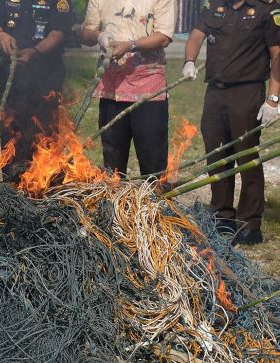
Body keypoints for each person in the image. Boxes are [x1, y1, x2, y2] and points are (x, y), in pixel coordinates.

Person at [184, 0, 280, 246]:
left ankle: (250, 223)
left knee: (246, 157)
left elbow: (277, 55)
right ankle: (222, 216)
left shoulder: (265, 10)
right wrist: (189, 60)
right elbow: (196, 35)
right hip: (215, 92)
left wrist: (273, 99)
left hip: (246, 92)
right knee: (216, 155)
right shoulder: (215, 6)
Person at [81, 0, 176, 177]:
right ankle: (114, 202)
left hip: (148, 87)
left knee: (152, 158)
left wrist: (131, 45)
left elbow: (164, 36)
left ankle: (155, 200)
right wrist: (99, 35)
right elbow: (86, 34)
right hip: (112, 88)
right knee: (112, 160)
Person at [0, 0, 75, 182]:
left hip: (46, 77)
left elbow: (58, 33)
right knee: (11, 130)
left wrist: (35, 51)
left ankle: (45, 185)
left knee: (45, 132)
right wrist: (2, 36)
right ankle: (11, 187)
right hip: (12, 76)